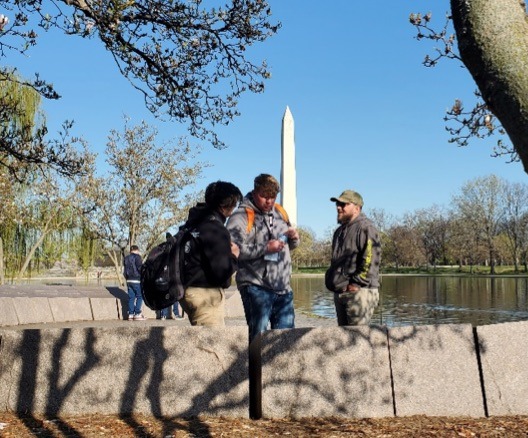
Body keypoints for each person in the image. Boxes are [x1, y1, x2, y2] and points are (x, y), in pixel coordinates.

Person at [227, 173, 300, 342]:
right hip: (256, 286)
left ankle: (281, 369)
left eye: (272, 197)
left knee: (285, 341)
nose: (269, 201)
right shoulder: (240, 216)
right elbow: (232, 251)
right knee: (258, 340)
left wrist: (294, 238)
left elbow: (291, 247)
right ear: (254, 192)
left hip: (283, 289)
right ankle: (256, 369)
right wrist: (265, 248)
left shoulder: (281, 213)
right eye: (264, 196)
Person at [179, 180, 242, 327]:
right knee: (211, 346)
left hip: (188, 291)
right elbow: (221, 272)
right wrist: (234, 255)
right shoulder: (215, 228)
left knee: (204, 342)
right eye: (233, 204)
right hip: (205, 296)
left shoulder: (193, 223)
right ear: (225, 205)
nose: (233, 210)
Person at [325, 190, 381, 326]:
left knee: (357, 342)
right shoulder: (339, 231)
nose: (339, 207)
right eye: (338, 204)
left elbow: (371, 259)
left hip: (359, 293)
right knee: (344, 341)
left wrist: (356, 284)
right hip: (341, 293)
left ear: (357, 208)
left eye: (344, 204)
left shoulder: (366, 228)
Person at [124, 245, 146, 321]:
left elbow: (125, 271)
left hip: (129, 280)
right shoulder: (138, 257)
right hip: (136, 280)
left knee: (131, 297)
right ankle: (137, 313)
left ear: (130, 251)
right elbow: (140, 268)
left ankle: (130, 314)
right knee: (140, 296)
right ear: (137, 250)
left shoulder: (126, 258)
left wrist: (127, 278)